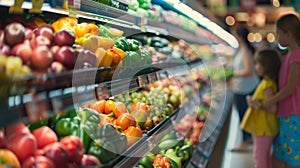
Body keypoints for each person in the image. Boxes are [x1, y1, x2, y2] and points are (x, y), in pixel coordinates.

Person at [259, 14, 300, 168]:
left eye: (278, 34)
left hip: (293, 115)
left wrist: (269, 101)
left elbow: (290, 88)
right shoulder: (288, 56)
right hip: (286, 114)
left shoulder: (296, 57)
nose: (276, 38)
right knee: (281, 154)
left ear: (288, 34)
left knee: (291, 159)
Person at [240, 49, 281, 168]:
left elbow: (273, 108)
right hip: (264, 127)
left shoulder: (267, 85)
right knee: (264, 157)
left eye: (258, 64)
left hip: (264, 128)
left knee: (259, 157)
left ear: (266, 67)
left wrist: (257, 104)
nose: (255, 67)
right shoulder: (267, 82)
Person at [230, 25, 260, 151]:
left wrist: (233, 74)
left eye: (236, 35)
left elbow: (248, 70)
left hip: (246, 88)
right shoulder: (243, 49)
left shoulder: (246, 51)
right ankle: (247, 139)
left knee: (244, 116)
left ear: (240, 37)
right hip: (243, 87)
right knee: (245, 115)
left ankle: (244, 142)